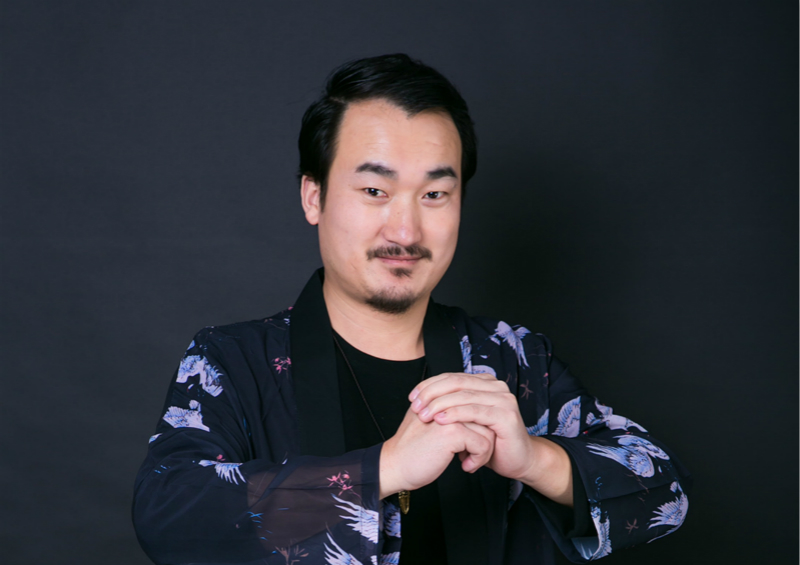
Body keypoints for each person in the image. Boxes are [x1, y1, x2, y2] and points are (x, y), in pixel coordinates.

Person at [132, 54, 690, 565]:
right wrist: (384, 469)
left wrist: (532, 459)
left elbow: (666, 491)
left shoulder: (515, 359)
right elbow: (172, 518)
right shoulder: (233, 361)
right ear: (313, 196)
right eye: (375, 191)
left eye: (434, 195)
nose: (405, 231)